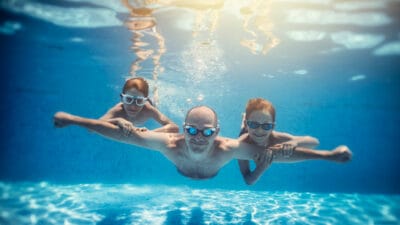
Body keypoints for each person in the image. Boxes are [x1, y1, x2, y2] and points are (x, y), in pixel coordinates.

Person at [54, 106, 292, 180]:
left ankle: (244, 126)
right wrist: (75, 120)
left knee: (251, 144)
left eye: (207, 132)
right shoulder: (168, 143)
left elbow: (280, 155)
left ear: (217, 132)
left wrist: (323, 156)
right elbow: (122, 136)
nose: (198, 137)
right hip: (183, 165)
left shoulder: (229, 147)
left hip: (212, 165)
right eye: (191, 130)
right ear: (184, 128)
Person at [237, 98, 353, 185]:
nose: (259, 130)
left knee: (277, 147)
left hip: (255, 134)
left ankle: (247, 121)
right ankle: (243, 123)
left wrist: (295, 142)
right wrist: (261, 168)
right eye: (253, 124)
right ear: (248, 124)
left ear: (273, 127)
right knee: (242, 132)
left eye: (266, 126)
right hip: (246, 136)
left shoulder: (276, 137)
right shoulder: (240, 145)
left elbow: (314, 142)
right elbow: (248, 180)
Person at [98, 77, 178, 132]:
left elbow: (174, 127)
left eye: (139, 101)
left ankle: (155, 89)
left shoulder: (148, 109)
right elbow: (93, 127)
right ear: (122, 98)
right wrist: (117, 120)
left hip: (150, 103)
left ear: (145, 101)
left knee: (156, 102)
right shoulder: (118, 110)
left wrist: (149, 132)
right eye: (128, 99)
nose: (133, 106)